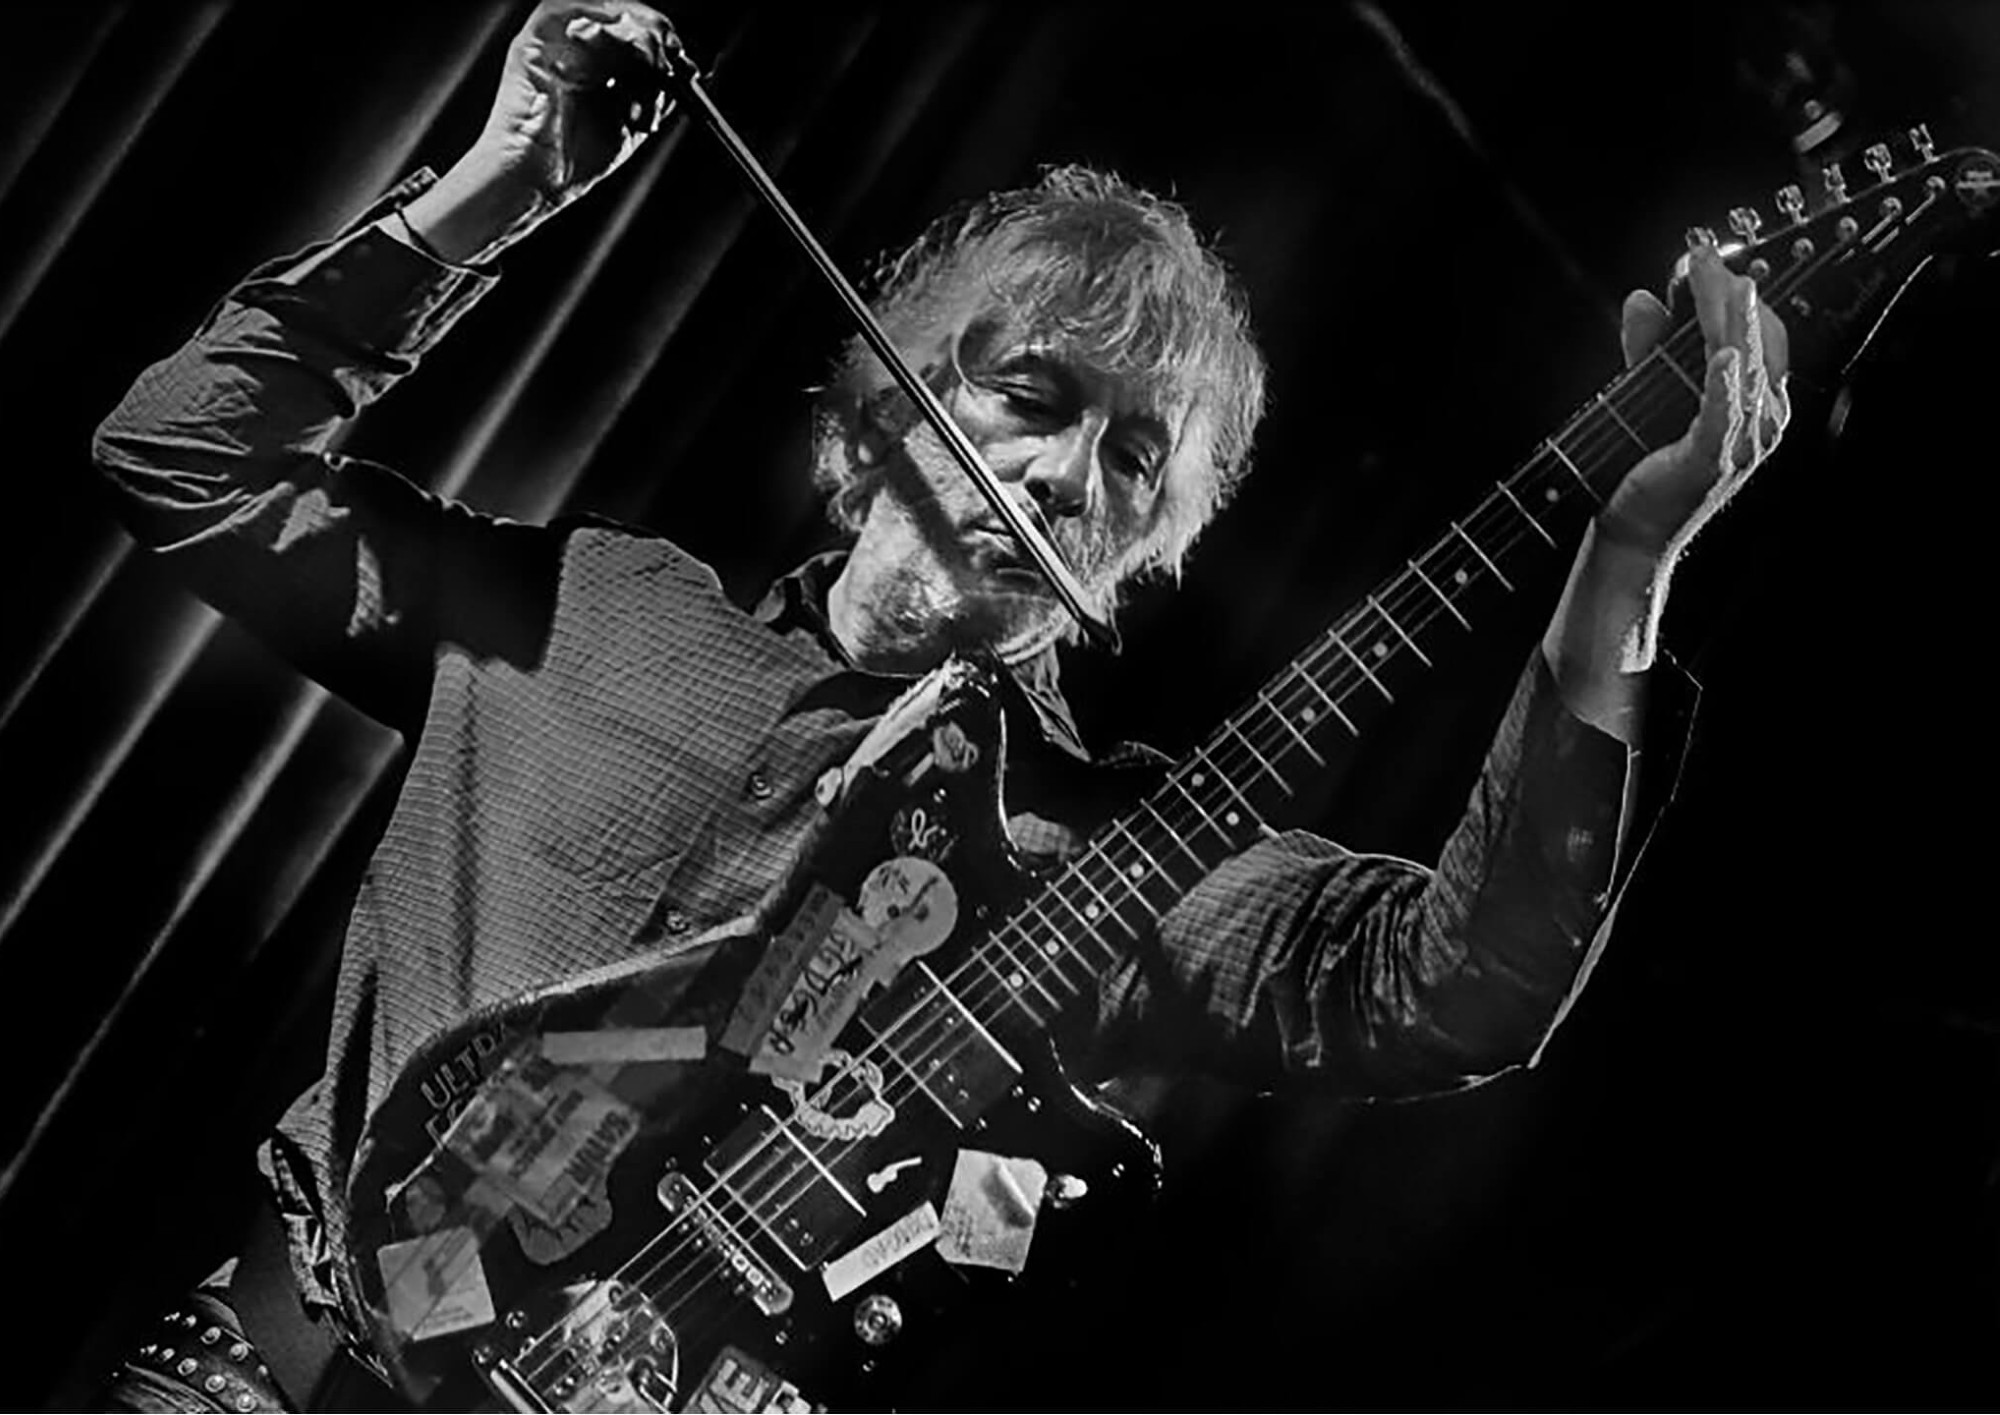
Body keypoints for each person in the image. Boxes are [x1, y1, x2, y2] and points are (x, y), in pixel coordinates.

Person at [90, 3, 1788, 1410]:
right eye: (1035, 396)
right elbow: (179, 458)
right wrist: (499, 184)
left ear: (1148, 552)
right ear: (881, 412)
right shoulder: (591, 607)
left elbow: (1458, 985)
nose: (1065, 478)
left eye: (1135, 461)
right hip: (263, 1370)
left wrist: (1628, 552)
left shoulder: (1109, 854)